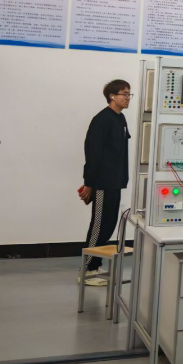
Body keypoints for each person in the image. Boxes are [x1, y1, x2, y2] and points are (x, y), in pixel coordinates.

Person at [77, 79, 131, 286]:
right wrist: (89, 182)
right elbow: (92, 153)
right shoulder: (101, 120)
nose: (127, 98)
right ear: (112, 96)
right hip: (101, 182)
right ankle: (87, 270)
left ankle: (95, 265)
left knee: (109, 225)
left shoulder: (121, 118)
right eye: (124, 94)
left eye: (129, 94)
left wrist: (123, 178)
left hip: (115, 182)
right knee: (98, 225)